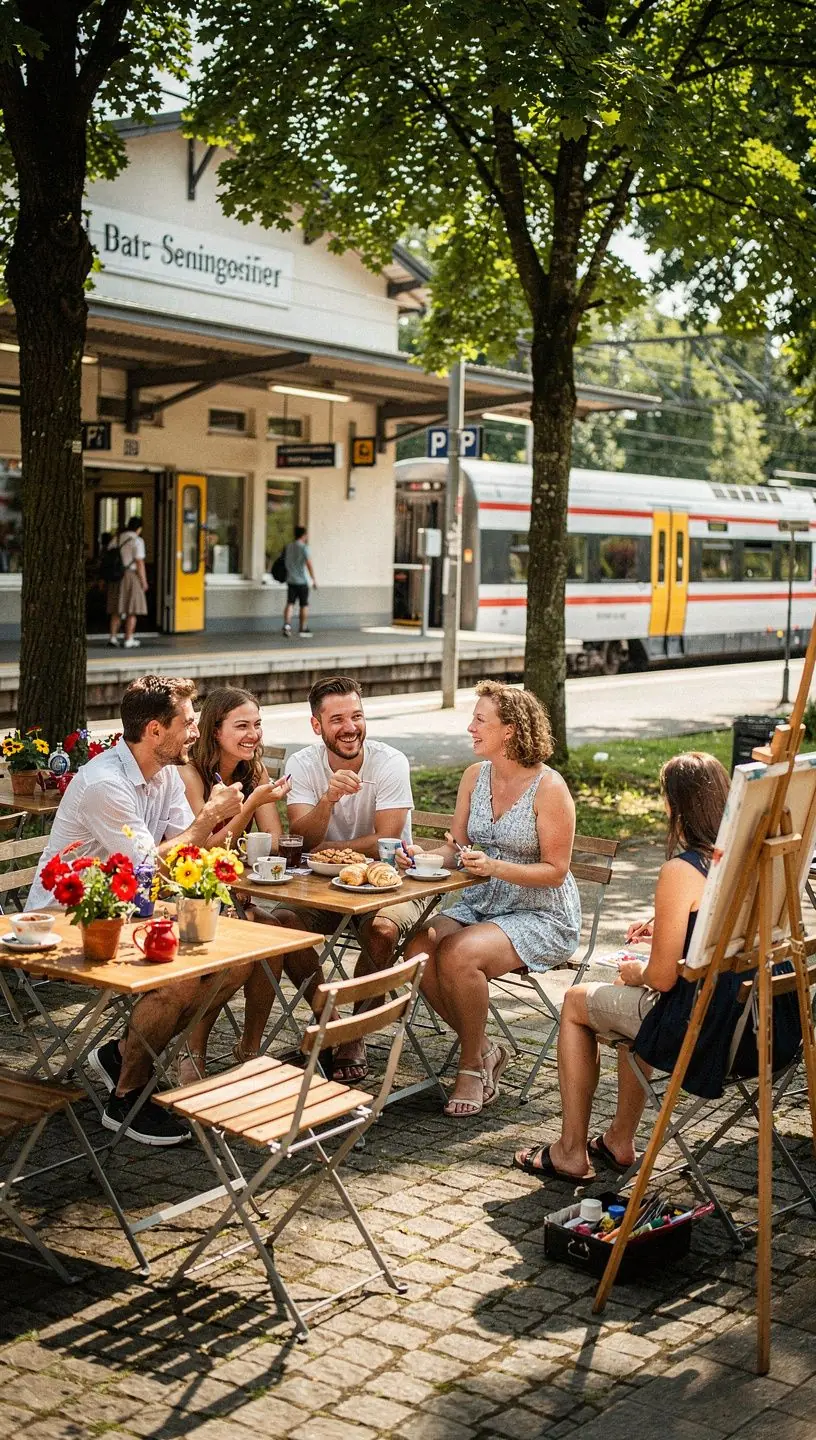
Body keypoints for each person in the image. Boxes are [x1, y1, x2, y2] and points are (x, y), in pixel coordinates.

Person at [28, 675, 246, 1147]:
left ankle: (124, 1054)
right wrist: (209, 814)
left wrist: (224, 816)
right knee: (180, 979)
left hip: (125, 912)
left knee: (236, 966)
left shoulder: (163, 773)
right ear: (154, 731)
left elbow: (189, 850)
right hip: (63, 926)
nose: (195, 731)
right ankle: (126, 1097)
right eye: (188, 723)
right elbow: (150, 863)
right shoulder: (106, 783)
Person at [514, 750, 729, 1182]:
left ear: (674, 805)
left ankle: (571, 1150)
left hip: (697, 1027)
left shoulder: (682, 869)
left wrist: (639, 972)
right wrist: (668, 932)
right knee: (620, 999)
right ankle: (618, 1139)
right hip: (747, 1021)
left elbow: (663, 978)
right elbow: (717, 937)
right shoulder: (745, 861)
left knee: (577, 1001)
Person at [400, 680, 582, 1119]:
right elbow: (455, 847)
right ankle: (484, 1048)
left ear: (511, 731)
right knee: (416, 948)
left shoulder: (549, 788)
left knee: (459, 953)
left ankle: (469, 1069)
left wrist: (494, 867)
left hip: (540, 911)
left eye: (481, 721)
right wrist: (419, 857)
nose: (470, 727)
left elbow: (555, 872)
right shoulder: (473, 777)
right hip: (481, 902)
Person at [177, 686, 324, 1079]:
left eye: (257, 725)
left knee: (283, 928)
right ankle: (193, 1051)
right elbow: (202, 849)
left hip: (233, 889)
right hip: (189, 893)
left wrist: (258, 810)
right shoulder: (189, 774)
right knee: (269, 933)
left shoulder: (253, 770)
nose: (253, 735)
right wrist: (248, 807)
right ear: (215, 731)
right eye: (241, 726)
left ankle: (252, 1046)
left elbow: (274, 840)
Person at [285, 674, 427, 1081]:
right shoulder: (303, 764)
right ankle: (329, 1020)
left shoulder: (389, 762)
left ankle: (356, 1033)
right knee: (282, 925)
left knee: (382, 930)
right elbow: (302, 836)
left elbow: (388, 837)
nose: (350, 728)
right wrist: (328, 800)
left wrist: (334, 851)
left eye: (357, 716)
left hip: (391, 880)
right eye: (337, 720)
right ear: (317, 726)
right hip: (322, 884)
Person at [108, 515, 148, 649]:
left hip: (116, 576)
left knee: (116, 609)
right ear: (139, 528)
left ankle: (113, 637)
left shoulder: (116, 539)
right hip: (131, 576)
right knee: (132, 609)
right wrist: (144, 581)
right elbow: (139, 562)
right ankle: (128, 638)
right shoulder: (137, 541)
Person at [282, 524, 317, 638]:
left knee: (290, 603)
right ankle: (303, 628)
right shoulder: (304, 548)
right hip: (302, 581)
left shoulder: (289, 547)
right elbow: (309, 564)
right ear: (303, 535)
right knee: (304, 604)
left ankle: (287, 625)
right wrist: (313, 579)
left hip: (290, 580)